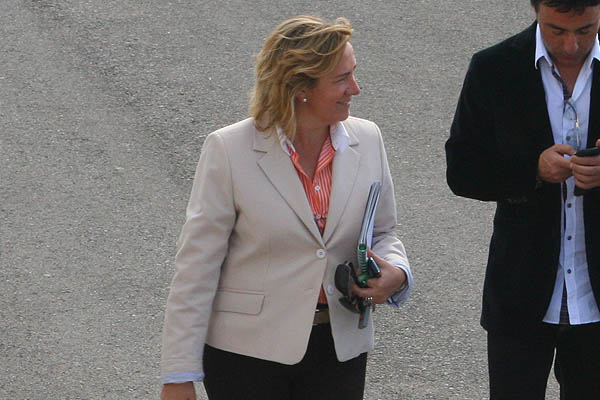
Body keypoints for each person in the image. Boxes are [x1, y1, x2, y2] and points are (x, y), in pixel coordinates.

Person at [160, 15, 413, 400]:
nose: (355, 89)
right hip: (246, 355)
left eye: (353, 74)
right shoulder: (229, 150)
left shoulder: (368, 138)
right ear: (300, 86)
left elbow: (383, 231)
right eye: (342, 79)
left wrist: (397, 274)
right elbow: (197, 266)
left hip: (339, 349)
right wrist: (178, 374)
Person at [446, 0, 600, 398]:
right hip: (521, 296)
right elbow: (462, 170)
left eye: (585, 30)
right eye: (555, 30)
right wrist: (533, 170)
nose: (570, 46)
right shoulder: (494, 68)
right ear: (535, 10)